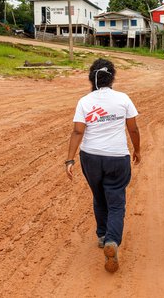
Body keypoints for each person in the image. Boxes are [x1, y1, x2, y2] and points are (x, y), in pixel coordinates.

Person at [66, 58, 141, 273]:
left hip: (90, 158)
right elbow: (133, 129)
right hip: (117, 157)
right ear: (112, 77)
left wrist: (70, 159)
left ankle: (101, 235)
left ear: (92, 78)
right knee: (116, 202)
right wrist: (138, 150)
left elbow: (78, 131)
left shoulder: (84, 101)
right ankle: (112, 241)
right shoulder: (123, 99)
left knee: (99, 197)